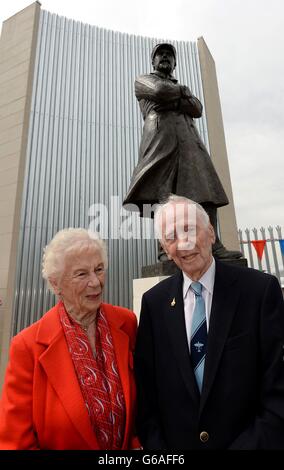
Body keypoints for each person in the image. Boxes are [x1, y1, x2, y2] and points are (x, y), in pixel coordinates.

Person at [134, 194, 284, 449]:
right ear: (165, 248)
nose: (184, 243)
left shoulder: (259, 291)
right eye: (171, 237)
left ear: (211, 233)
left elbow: (277, 393)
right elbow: (147, 400)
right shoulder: (154, 304)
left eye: (190, 229)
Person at [0, 228, 140, 450]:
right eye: (81, 274)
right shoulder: (27, 346)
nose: (95, 282)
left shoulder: (126, 323)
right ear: (56, 284)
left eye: (99, 269)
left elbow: (139, 407)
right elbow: (15, 442)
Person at [123, 42, 241, 259]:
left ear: (175, 62)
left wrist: (174, 98)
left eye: (170, 54)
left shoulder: (175, 87)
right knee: (163, 194)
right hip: (161, 140)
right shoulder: (143, 80)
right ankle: (166, 247)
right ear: (153, 61)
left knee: (206, 192)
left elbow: (196, 108)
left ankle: (212, 245)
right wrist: (182, 93)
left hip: (189, 142)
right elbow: (158, 91)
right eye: (161, 54)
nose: (165, 57)